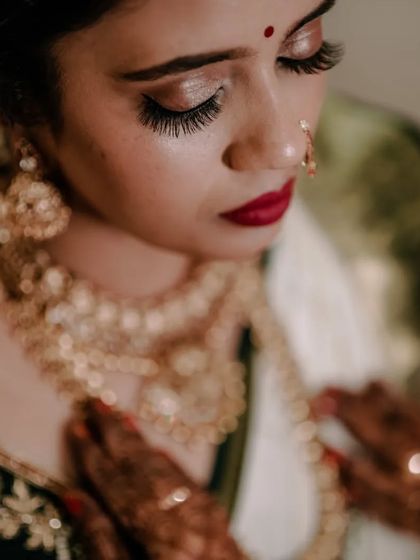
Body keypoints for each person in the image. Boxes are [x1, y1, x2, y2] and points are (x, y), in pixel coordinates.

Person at [0, 1, 419, 559]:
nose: (285, 145)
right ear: (21, 100)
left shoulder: (376, 218)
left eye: (303, 51)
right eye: (191, 99)